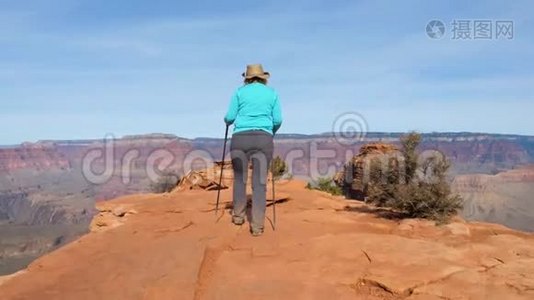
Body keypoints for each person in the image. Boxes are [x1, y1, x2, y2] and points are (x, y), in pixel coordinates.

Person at [224, 64, 283, 236]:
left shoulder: (239, 92)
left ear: (247, 78)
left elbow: (230, 117)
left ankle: (238, 216)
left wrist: (226, 120)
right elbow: (278, 119)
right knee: (259, 184)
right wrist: (270, 132)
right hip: (263, 139)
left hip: (240, 139)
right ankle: (257, 226)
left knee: (240, 179)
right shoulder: (272, 93)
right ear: (263, 78)